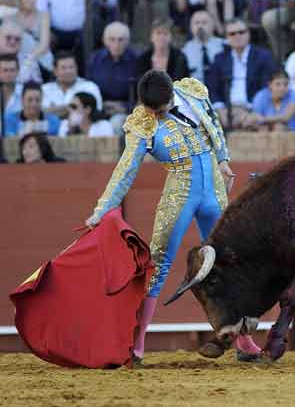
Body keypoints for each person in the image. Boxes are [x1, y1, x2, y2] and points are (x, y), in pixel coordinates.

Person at [84, 70, 263, 365]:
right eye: (153, 110)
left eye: (163, 107)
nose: (158, 114)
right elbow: (125, 169)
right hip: (180, 193)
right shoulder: (142, 120)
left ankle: (243, 341)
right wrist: (102, 209)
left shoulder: (193, 91)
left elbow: (214, 123)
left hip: (214, 191)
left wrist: (223, 159)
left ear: (172, 93)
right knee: (158, 264)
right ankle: (136, 345)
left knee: (230, 262)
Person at [206, 18, 276, 128]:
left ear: (248, 34)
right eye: (232, 34)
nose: (237, 36)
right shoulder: (220, 59)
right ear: (227, 38)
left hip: (253, 108)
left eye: (241, 32)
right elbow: (213, 88)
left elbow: (266, 87)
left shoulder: (263, 57)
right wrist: (221, 109)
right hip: (226, 109)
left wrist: (249, 110)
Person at [87, 22, 137, 119]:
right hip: (99, 108)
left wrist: (124, 107)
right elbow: (89, 87)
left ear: (127, 41)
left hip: (125, 110)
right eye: (112, 39)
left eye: (120, 40)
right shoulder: (95, 59)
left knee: (117, 122)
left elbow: (140, 94)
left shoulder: (135, 60)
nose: (116, 44)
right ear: (105, 41)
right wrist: (100, 105)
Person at [6, 0, 53, 79]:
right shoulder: (10, 18)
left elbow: (44, 45)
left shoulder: (44, 16)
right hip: (18, 59)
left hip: (40, 59)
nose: (33, 0)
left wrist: (29, 60)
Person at [42, 51, 103, 119]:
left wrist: (54, 110)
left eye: (71, 67)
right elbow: (39, 113)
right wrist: (74, 108)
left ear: (77, 68)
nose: (68, 71)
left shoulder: (89, 87)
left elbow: (96, 111)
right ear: (55, 71)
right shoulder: (44, 89)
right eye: (63, 68)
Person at [182, 11, 224, 83]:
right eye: (196, 23)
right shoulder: (185, 51)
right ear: (191, 27)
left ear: (213, 26)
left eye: (204, 23)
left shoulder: (224, 46)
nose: (200, 26)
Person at [0, 53, 23, 118]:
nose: (8, 74)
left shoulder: (25, 92)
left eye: (12, 70)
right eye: (5, 70)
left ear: (18, 71)